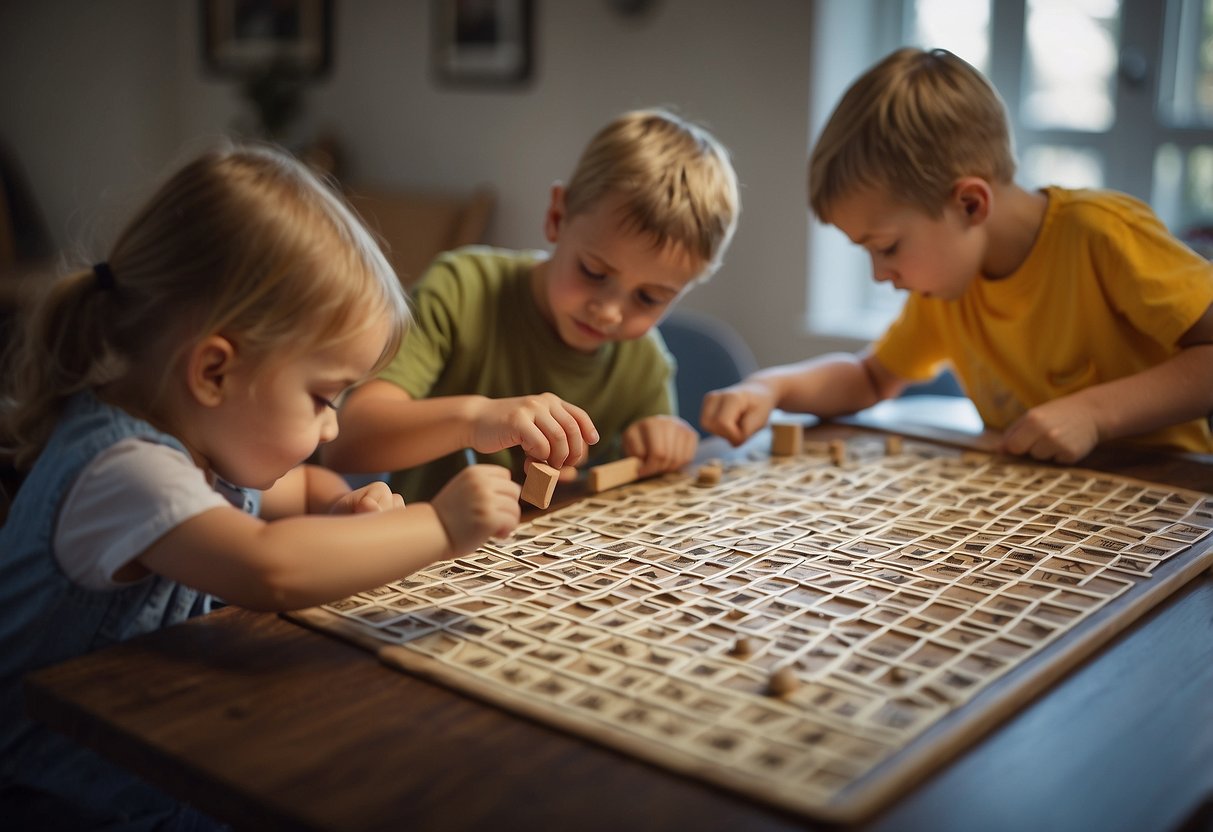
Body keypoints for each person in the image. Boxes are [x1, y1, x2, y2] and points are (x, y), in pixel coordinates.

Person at [0, 143, 521, 830]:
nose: (332, 428)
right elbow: (267, 568)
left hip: (151, 737)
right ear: (215, 371)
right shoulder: (126, 471)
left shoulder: (199, 437)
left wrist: (342, 508)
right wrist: (440, 525)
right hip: (57, 789)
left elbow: (300, 493)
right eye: (321, 397)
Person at [701, 47, 1213, 463]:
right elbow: (871, 377)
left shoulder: (1100, 234)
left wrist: (1096, 413)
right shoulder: (947, 287)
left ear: (970, 203)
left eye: (887, 248)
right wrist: (770, 388)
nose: (881, 275)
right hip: (1042, 505)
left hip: (1168, 501)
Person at [323, 108, 741, 501]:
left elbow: (645, 499)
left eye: (649, 298)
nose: (609, 311)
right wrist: (476, 419)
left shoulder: (644, 366)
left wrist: (666, 441)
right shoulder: (462, 290)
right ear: (557, 217)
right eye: (594, 272)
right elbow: (347, 444)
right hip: (428, 560)